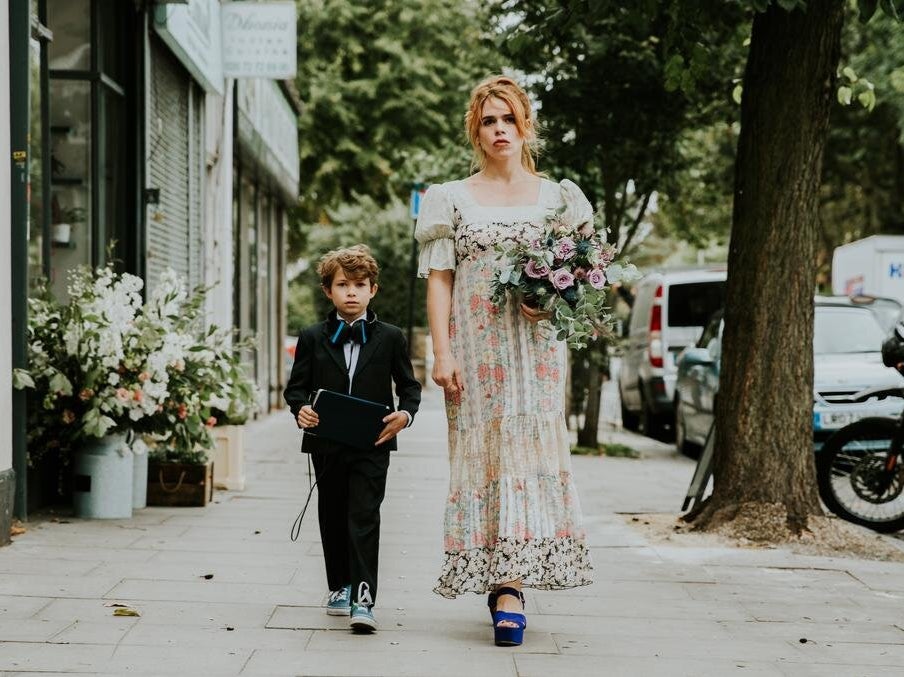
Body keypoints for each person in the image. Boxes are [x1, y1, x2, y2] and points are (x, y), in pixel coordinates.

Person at [415, 75, 594, 647]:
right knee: (487, 454)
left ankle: (512, 580)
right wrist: (441, 351)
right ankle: (502, 580)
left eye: (509, 120)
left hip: (537, 354)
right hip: (477, 352)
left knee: (529, 452)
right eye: (489, 121)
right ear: (476, 130)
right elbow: (440, 280)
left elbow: (587, 277)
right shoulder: (451, 197)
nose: (500, 130)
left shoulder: (559, 197)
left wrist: (553, 299)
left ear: (525, 127)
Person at [284, 245, 422, 633]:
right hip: (325, 445)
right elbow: (295, 389)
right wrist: (301, 410)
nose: (351, 292)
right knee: (331, 514)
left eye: (359, 285)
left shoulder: (391, 337)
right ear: (328, 291)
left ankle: (364, 598)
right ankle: (339, 586)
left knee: (364, 516)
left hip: (373, 443)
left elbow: (410, 388)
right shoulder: (312, 337)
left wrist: (405, 415)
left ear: (373, 290)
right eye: (342, 285)